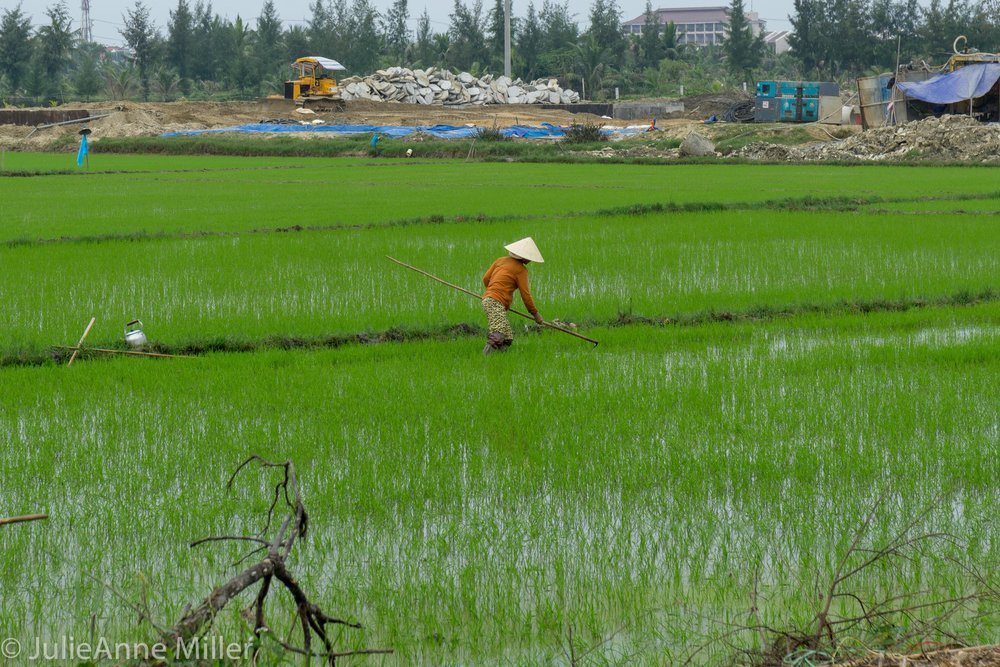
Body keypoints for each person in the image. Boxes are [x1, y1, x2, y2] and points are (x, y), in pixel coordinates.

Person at [481, 237, 545, 354]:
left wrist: (490, 293)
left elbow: (486, 279)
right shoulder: (521, 270)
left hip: (489, 299)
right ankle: (484, 358)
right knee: (499, 333)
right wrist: (535, 314)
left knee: (507, 337)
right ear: (524, 257)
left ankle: (499, 359)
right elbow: (526, 295)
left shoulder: (500, 260)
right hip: (495, 301)